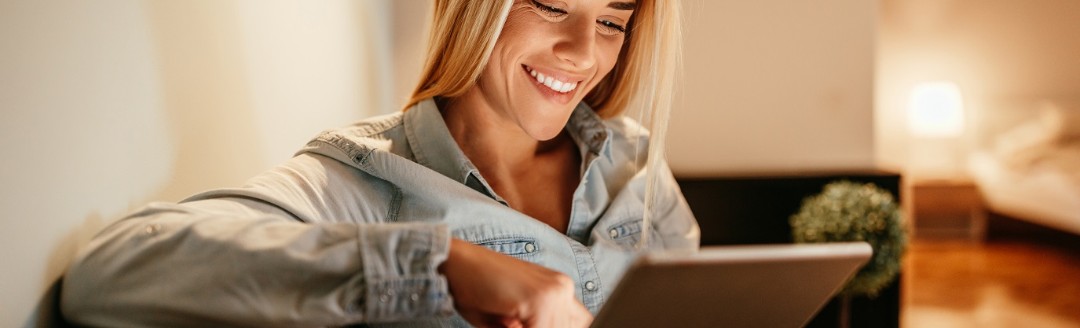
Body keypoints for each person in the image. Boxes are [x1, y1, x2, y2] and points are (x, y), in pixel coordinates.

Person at [60, 0, 699, 326]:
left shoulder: (636, 164)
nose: (583, 53)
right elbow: (108, 276)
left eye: (614, 20)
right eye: (551, 5)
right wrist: (446, 262)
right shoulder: (364, 178)